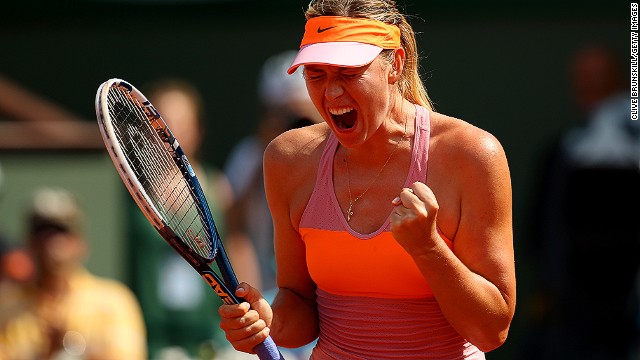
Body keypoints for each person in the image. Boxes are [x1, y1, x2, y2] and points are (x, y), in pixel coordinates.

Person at [217, 1, 516, 359]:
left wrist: (428, 248)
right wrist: (269, 323)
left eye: (348, 72)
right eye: (316, 74)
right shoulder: (287, 159)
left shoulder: (472, 156)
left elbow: (492, 330)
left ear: (396, 65)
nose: (331, 94)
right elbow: (298, 304)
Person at [525, 45, 640, 359]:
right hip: (572, 304)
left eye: (599, 78)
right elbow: (543, 226)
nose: (591, 87)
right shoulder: (563, 152)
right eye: (584, 79)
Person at [128, 77, 233, 359]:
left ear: (197, 130)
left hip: (215, 337)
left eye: (180, 121)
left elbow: (239, 249)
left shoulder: (220, 187)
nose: (170, 131)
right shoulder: (131, 191)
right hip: (154, 341)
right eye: (162, 121)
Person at [0, 187, 147, 359]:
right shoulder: (6, 304)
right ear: (29, 242)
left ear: (80, 243)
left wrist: (71, 349)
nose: (52, 244)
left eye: (62, 232)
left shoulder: (112, 302)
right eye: (42, 232)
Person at [224, 50, 321, 297]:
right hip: (269, 293)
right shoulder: (249, 155)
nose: (298, 123)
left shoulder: (342, 151)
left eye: (304, 111)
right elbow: (234, 226)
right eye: (286, 113)